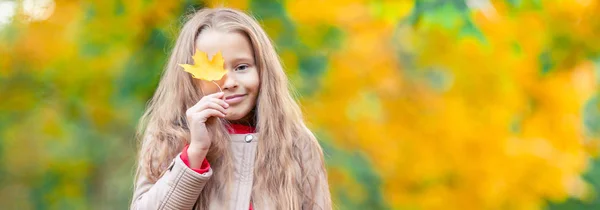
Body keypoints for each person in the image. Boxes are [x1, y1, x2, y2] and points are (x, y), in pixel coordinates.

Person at [130, 7, 332, 210]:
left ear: (263, 70)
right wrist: (195, 153)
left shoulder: (296, 144)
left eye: (242, 67)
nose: (230, 82)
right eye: (215, 71)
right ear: (189, 80)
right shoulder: (169, 138)